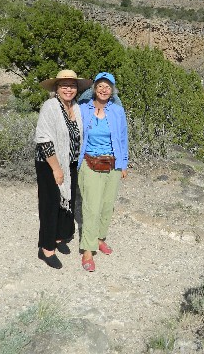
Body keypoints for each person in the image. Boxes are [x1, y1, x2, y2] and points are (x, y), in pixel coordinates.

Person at [35, 69, 92, 269]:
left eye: (72, 85)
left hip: (70, 162)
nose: (69, 89)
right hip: (49, 163)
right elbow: (44, 139)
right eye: (64, 85)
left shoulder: (75, 107)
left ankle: (59, 237)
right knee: (50, 204)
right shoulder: (50, 106)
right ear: (57, 88)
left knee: (66, 200)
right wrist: (56, 168)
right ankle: (46, 248)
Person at [77, 72, 128, 272]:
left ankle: (99, 238)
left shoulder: (117, 111)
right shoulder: (83, 109)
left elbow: (123, 138)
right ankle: (88, 250)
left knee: (107, 205)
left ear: (112, 90)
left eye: (108, 87)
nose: (104, 90)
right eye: (101, 86)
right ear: (94, 88)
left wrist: (124, 164)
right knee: (92, 206)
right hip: (89, 162)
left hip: (113, 164)